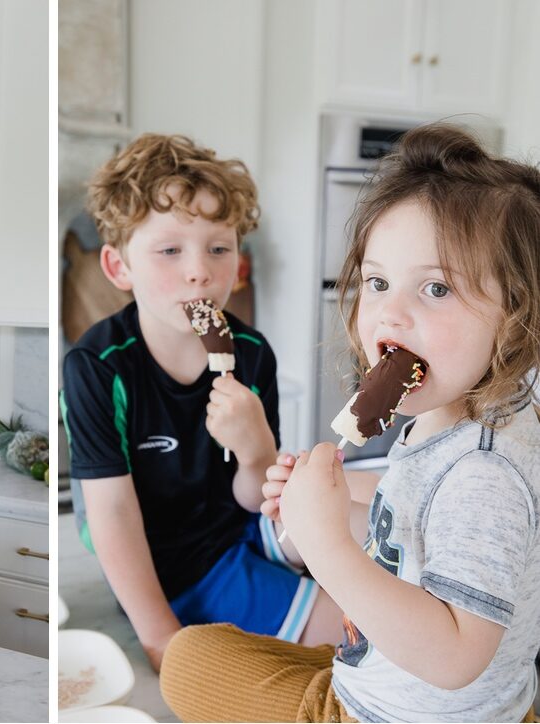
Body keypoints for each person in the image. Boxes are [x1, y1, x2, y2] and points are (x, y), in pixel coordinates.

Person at [160, 123, 540, 722]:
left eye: (436, 287)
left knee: (191, 662)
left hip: (397, 715)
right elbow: (412, 540)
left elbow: (456, 655)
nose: (391, 310)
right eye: (378, 281)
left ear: (517, 315)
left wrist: (326, 545)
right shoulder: (454, 420)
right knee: (209, 647)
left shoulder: (484, 473)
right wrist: (338, 512)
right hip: (409, 684)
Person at [60, 133, 346, 673]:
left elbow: (252, 497)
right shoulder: (99, 367)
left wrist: (256, 448)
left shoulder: (254, 353)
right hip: (176, 561)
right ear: (119, 267)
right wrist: (160, 636)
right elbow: (112, 515)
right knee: (352, 638)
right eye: (170, 250)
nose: (200, 271)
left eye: (219, 247)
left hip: (242, 520)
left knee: (356, 516)